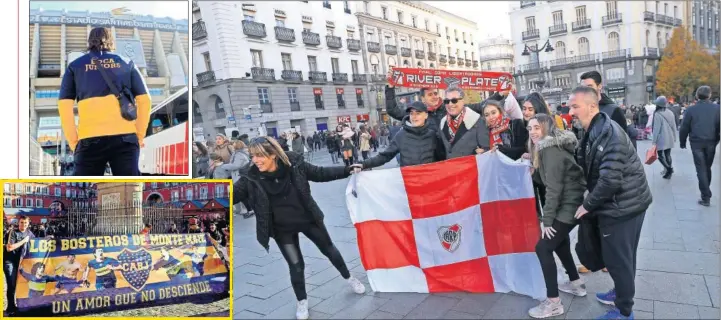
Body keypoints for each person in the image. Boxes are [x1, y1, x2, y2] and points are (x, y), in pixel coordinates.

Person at [233, 136, 365, 320]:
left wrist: (346, 170)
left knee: (329, 249)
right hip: (281, 229)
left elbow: (319, 173)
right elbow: (231, 194)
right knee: (295, 265)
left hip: (308, 219)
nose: (255, 160)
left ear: (273, 154)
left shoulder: (293, 163)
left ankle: (349, 278)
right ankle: (302, 301)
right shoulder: (250, 176)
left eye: (259, 155)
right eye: (252, 156)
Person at [569, 86, 652, 320]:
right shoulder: (594, 128)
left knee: (619, 261)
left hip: (623, 207)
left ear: (592, 106)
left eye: (575, 106)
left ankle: (624, 312)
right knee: (623, 258)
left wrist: (587, 205)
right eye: (570, 106)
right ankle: (621, 293)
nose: (570, 111)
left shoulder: (608, 134)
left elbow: (610, 180)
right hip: (626, 203)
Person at [58, 27, 151, 176]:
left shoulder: (75, 66)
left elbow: (64, 105)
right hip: (126, 137)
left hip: (89, 138)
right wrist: (138, 135)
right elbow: (145, 100)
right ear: (111, 41)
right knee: (128, 188)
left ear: (89, 42)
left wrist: (74, 142)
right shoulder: (127, 63)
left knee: (85, 189)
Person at [526, 114, 587, 318]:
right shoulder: (546, 148)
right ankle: (576, 284)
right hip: (571, 202)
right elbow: (548, 178)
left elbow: (554, 188)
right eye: (529, 128)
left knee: (543, 248)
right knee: (559, 244)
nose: (532, 132)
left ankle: (553, 303)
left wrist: (547, 221)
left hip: (569, 205)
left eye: (537, 127)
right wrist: (533, 169)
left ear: (547, 128)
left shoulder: (550, 150)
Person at [351, 102, 445, 170]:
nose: (414, 116)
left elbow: (443, 159)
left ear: (426, 115)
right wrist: (363, 164)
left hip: (430, 186)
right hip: (410, 186)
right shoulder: (401, 135)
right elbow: (385, 156)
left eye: (418, 113)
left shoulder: (433, 135)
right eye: (411, 113)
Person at [680, 85, 721, 207]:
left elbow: (684, 127)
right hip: (711, 142)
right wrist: (717, 139)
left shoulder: (691, 110)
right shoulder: (717, 109)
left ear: (697, 96)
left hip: (697, 142)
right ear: (709, 95)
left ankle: (706, 195)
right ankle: (706, 193)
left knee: (701, 169)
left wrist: (682, 142)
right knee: (707, 167)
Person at [438, 87, 494, 158]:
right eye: (446, 101)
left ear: (463, 101)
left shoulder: (477, 121)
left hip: (470, 167)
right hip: (450, 167)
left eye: (454, 100)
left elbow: (487, 150)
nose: (450, 104)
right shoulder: (442, 122)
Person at [4, 216, 34, 315]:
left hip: (20, 262)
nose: (23, 225)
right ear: (18, 223)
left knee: (21, 284)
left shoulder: (29, 233)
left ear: (28, 223)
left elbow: (37, 241)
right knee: (11, 285)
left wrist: (47, 238)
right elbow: (9, 248)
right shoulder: (13, 232)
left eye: (25, 223)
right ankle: (10, 308)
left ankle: (18, 306)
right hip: (10, 262)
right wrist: (23, 241)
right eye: (21, 222)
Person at [651, 96, 677, 179]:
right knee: (668, 155)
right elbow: (674, 126)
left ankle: (669, 169)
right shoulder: (670, 112)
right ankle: (668, 170)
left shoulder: (657, 114)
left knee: (660, 156)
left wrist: (654, 141)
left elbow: (656, 129)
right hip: (670, 137)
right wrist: (674, 136)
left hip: (661, 138)